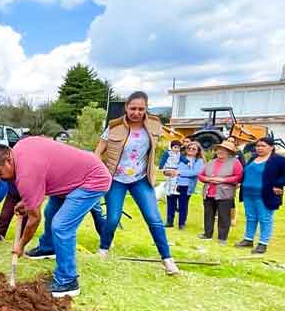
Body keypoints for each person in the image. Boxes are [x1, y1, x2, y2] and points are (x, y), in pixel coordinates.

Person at [0, 137, 111, 297]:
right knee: (52, 212)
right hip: (71, 177)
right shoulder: (20, 148)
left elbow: (34, 219)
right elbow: (42, 176)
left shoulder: (26, 174)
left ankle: (67, 281)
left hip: (92, 179)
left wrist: (20, 245)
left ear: (8, 159)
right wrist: (28, 201)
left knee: (61, 226)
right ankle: (48, 247)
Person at [94, 91, 179, 275]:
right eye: (133, 108)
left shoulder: (154, 125)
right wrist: (99, 171)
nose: (136, 112)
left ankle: (167, 260)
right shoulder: (114, 127)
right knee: (113, 218)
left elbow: (155, 152)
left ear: (146, 109)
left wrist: (164, 169)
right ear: (126, 108)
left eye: (141, 109)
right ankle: (103, 249)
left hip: (140, 179)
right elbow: (98, 151)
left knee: (154, 218)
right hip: (116, 179)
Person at [235, 137, 285, 254]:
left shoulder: (278, 160)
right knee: (251, 217)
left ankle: (263, 243)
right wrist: (239, 182)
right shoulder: (253, 158)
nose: (259, 148)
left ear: (271, 147)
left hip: (265, 194)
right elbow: (246, 172)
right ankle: (248, 240)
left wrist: (279, 184)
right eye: (258, 146)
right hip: (248, 194)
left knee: (265, 219)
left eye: (263, 146)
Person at [198, 140, 243, 245]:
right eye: (219, 149)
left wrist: (223, 180)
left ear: (229, 152)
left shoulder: (235, 163)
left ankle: (222, 238)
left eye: (223, 150)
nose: (220, 151)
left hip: (225, 194)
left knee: (224, 216)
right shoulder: (211, 162)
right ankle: (207, 234)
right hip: (209, 192)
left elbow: (239, 177)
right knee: (208, 214)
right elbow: (200, 175)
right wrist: (207, 179)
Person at [164, 141, 205, 229]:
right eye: (189, 148)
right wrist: (167, 171)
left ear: (198, 151)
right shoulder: (179, 157)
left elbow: (195, 172)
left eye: (193, 149)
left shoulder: (199, 161)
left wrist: (179, 172)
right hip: (173, 183)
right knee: (171, 202)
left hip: (186, 185)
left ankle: (181, 223)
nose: (190, 150)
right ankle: (169, 221)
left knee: (183, 205)